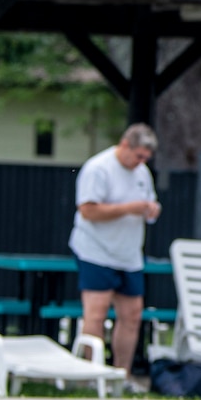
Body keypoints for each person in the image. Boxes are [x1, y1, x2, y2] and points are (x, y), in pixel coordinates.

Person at [70, 123, 162, 380]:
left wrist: (151, 209)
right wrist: (128, 208)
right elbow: (87, 211)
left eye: (146, 158)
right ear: (125, 145)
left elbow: (148, 204)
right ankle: (91, 375)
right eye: (139, 156)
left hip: (129, 254)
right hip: (96, 251)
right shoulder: (98, 169)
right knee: (96, 313)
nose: (141, 162)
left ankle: (122, 375)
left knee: (132, 314)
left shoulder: (142, 173)